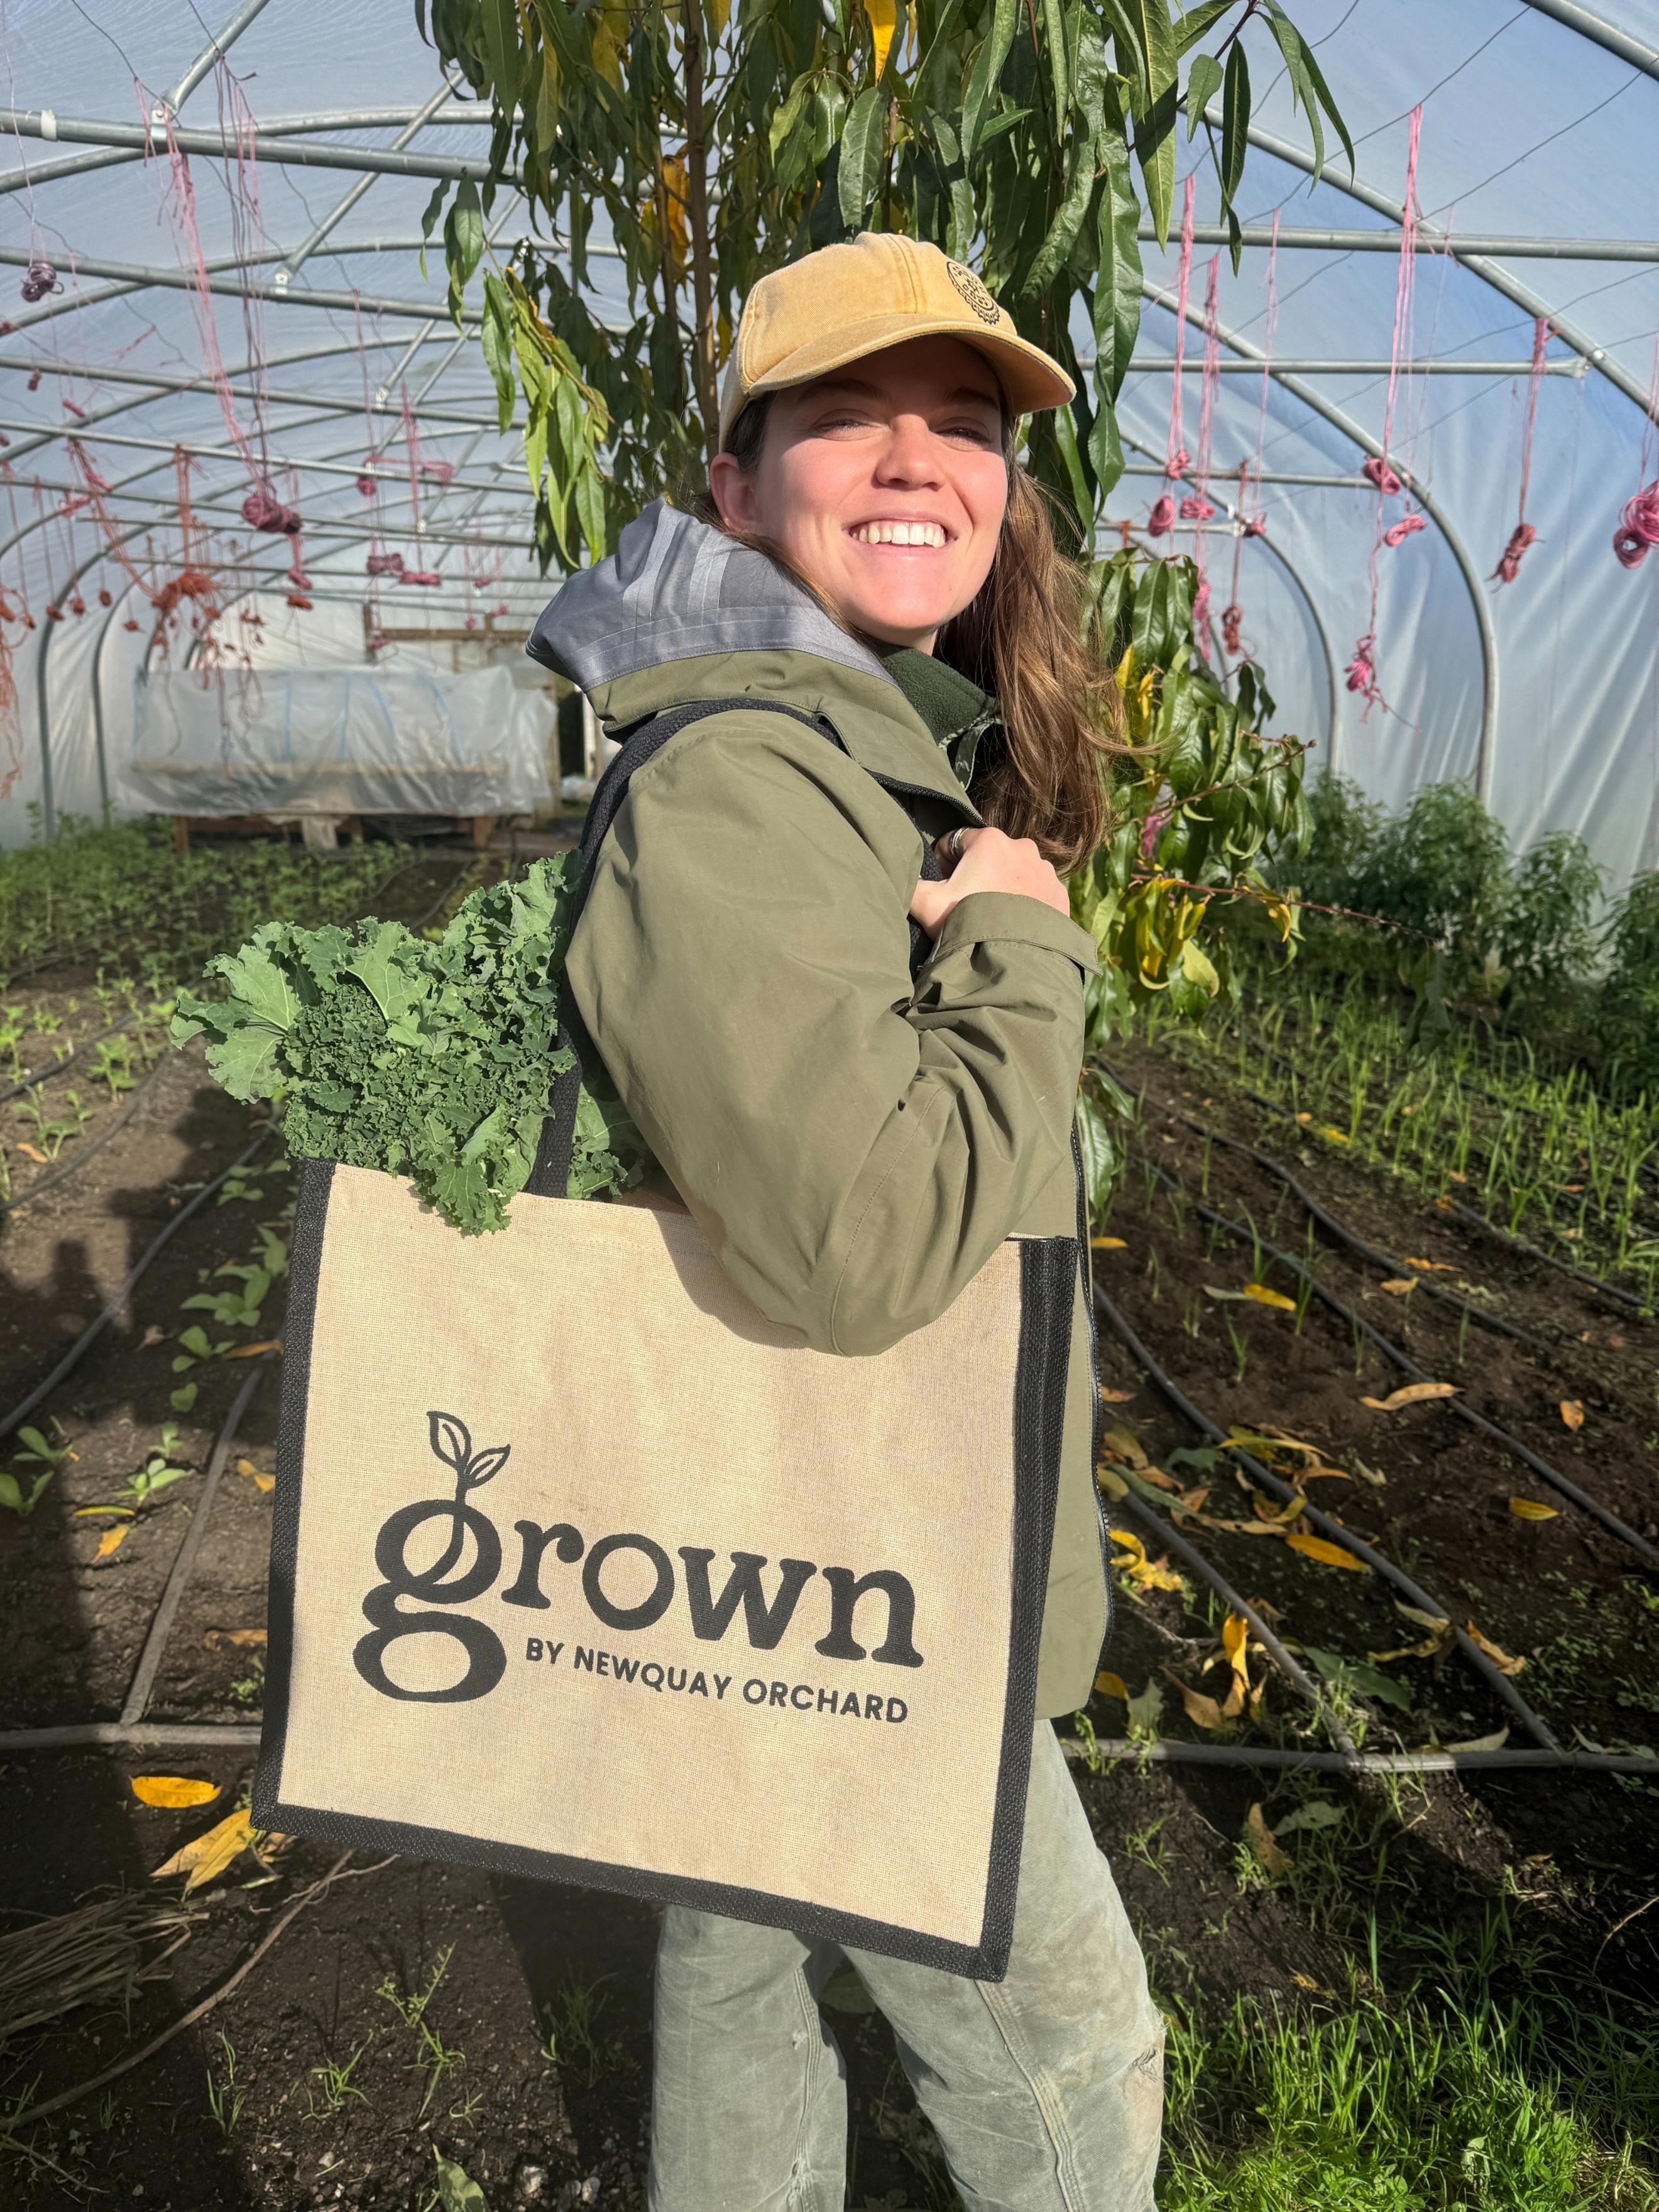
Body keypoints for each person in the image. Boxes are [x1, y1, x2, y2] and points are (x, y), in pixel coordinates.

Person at [529, 230, 1163, 2212]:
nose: (920, 459)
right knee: (1067, 2035)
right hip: (846, 1567)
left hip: (759, 1537)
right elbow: (866, 1245)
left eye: (964, 423)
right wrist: (1019, 945)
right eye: (852, 417)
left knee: (736, 1945)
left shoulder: (843, 737)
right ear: (735, 480)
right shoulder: (746, 778)